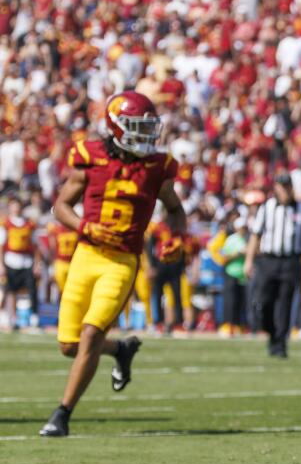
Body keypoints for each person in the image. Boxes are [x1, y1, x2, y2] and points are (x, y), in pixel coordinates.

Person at [40, 91, 186, 437]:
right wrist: (85, 226)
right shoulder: (89, 156)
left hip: (122, 261)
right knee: (69, 345)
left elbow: (175, 209)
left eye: (150, 128)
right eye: (138, 127)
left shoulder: (156, 166)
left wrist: (175, 237)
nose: (147, 135)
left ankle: (62, 414)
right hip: (86, 255)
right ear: (116, 126)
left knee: (90, 334)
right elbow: (60, 206)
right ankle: (121, 349)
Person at [244, 173, 301, 358]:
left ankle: (280, 343)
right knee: (263, 302)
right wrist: (249, 260)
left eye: (287, 186)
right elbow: (255, 235)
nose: (284, 190)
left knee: (285, 303)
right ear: (276, 188)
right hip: (269, 260)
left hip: (291, 261)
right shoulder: (267, 208)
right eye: (281, 186)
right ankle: (271, 332)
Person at [1, 196, 39, 330]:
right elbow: (1, 245)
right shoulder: (5, 223)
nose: (15, 207)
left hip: (26, 261)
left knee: (32, 289)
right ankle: (10, 317)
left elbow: (35, 246)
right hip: (11, 260)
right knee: (10, 290)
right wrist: (1, 265)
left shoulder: (30, 224)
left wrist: (36, 263)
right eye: (13, 205)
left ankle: (33, 318)